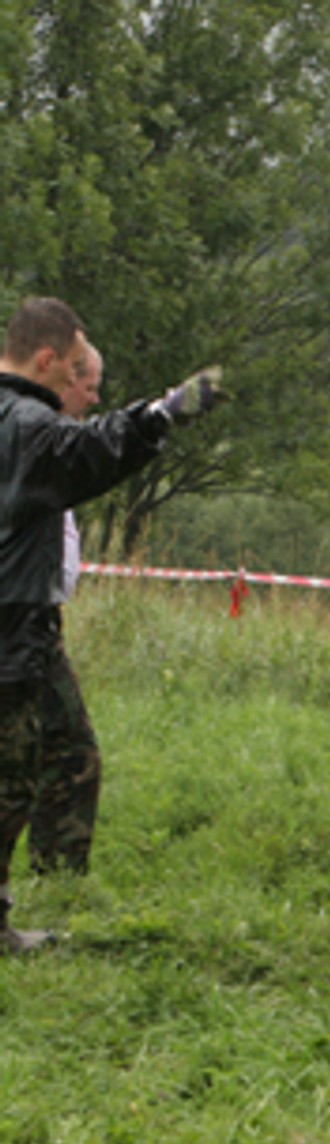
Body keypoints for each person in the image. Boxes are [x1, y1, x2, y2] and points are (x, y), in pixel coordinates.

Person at [0, 297, 227, 953]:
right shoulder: (26, 424)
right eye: (77, 369)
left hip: (25, 625)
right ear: (48, 361)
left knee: (61, 754)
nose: (83, 385)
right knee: (10, 781)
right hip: (10, 626)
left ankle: (48, 884)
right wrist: (162, 414)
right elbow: (85, 450)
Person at [24, 340, 106, 875]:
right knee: (69, 751)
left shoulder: (48, 441)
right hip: (19, 618)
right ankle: (56, 870)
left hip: (36, 616)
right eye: (89, 387)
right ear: (62, 375)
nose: (93, 400)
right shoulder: (30, 435)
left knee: (60, 749)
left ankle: (55, 871)